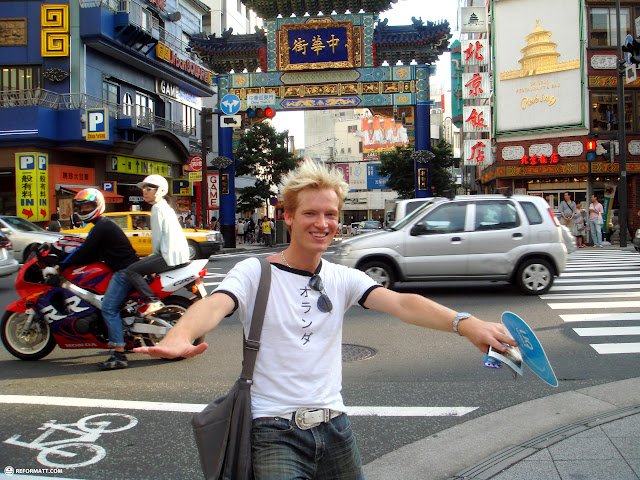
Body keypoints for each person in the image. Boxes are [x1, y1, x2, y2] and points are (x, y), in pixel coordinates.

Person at [133, 160, 517, 479]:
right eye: (310, 213)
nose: (322, 223)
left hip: (335, 426)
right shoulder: (255, 272)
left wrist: (466, 324)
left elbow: (403, 304)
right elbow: (215, 305)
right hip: (272, 429)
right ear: (288, 216)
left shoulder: (342, 277)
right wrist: (180, 333)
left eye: (330, 214)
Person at [57, 189, 140, 369]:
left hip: (123, 271)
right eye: (82, 207)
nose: (85, 210)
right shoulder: (101, 225)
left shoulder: (102, 226)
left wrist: (61, 266)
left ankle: (119, 355)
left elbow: (85, 250)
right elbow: (89, 252)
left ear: (98, 206)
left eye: (88, 206)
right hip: (123, 268)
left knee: (109, 308)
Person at [125, 174, 190, 316]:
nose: (145, 191)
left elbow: (157, 238)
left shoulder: (157, 208)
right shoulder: (166, 207)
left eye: (149, 188)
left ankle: (151, 301)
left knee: (131, 270)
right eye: (144, 189)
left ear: (160, 190)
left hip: (168, 256)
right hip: (180, 255)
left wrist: (152, 256)